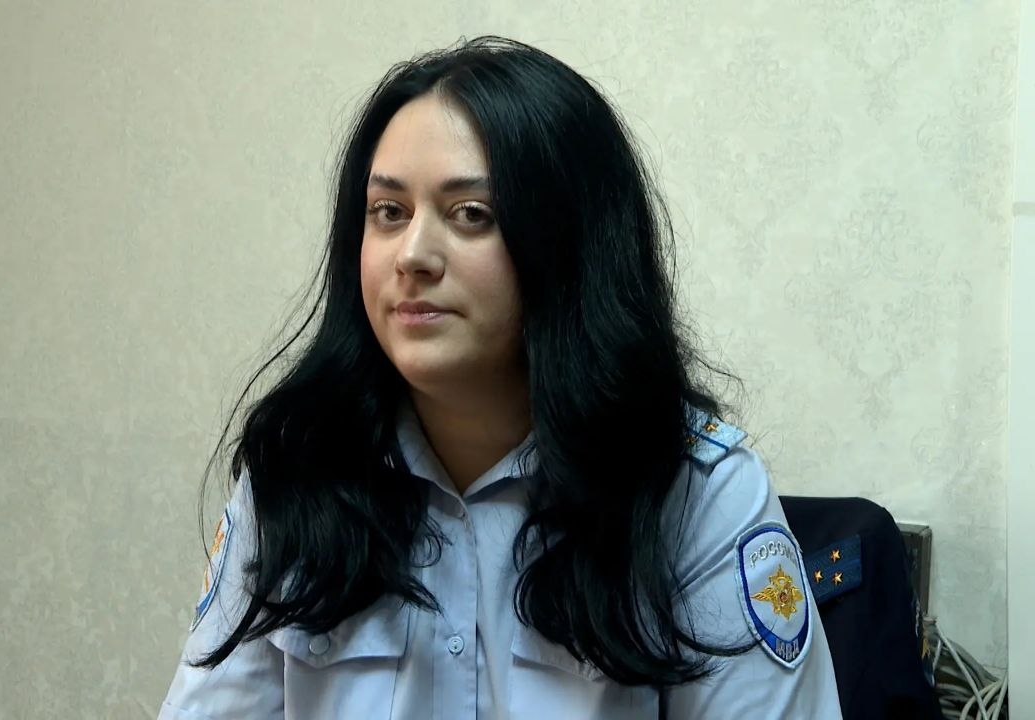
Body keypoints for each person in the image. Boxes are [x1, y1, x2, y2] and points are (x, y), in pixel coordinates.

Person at [159, 35, 843, 720]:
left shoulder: (695, 493)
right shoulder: (298, 470)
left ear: (570, 246)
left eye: (471, 215)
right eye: (389, 212)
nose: (413, 255)